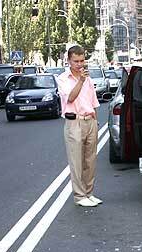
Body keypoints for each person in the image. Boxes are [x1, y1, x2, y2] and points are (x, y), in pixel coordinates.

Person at [57, 45, 101, 207]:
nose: (80, 64)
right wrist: (81, 80)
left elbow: (92, 100)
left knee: (90, 161)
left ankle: (89, 193)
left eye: (82, 60)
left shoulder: (87, 78)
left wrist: (95, 118)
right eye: (76, 61)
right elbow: (70, 98)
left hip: (89, 120)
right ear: (68, 61)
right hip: (74, 122)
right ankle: (79, 195)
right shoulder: (63, 79)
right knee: (76, 161)